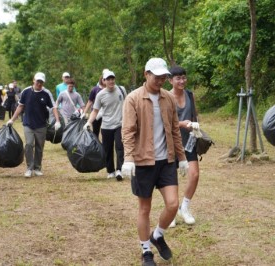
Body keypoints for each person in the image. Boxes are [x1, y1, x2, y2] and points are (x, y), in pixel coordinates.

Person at [121, 58, 188, 265]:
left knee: (173, 204)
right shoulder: (133, 99)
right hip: (143, 162)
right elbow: (128, 131)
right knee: (144, 208)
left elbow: (175, 129)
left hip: (166, 160)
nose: (160, 80)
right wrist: (129, 158)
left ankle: (157, 235)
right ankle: (146, 250)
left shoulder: (168, 98)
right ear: (146, 74)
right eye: (156, 76)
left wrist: (182, 157)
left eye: (163, 77)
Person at [6, 72, 61, 178]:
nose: (39, 84)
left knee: (39, 147)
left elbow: (53, 107)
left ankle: (37, 167)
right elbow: (20, 106)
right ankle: (29, 168)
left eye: (41, 82)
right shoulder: (26, 92)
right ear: (33, 80)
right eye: (37, 81)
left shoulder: (46, 93)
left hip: (41, 125)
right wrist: (12, 119)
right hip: (28, 124)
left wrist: (57, 121)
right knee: (29, 145)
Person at [168, 66, 200, 227]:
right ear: (170, 80)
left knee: (194, 175)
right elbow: (165, 122)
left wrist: (196, 126)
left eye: (183, 77)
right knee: (171, 178)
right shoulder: (166, 97)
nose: (182, 81)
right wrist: (182, 124)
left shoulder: (189, 95)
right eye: (178, 78)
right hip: (171, 142)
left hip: (189, 141)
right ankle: (171, 211)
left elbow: (195, 114)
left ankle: (184, 207)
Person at [84, 70, 126, 181]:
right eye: (108, 79)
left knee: (119, 147)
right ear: (104, 81)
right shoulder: (100, 95)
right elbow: (95, 111)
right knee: (107, 149)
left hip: (120, 124)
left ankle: (119, 170)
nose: (111, 81)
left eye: (112, 79)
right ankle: (110, 170)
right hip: (106, 125)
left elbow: (127, 104)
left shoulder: (121, 90)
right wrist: (89, 122)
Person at [81, 74, 106, 139]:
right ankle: (96, 146)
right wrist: (84, 112)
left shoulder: (111, 90)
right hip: (96, 113)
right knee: (96, 131)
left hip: (106, 114)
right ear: (102, 80)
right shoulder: (95, 89)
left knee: (106, 131)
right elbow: (90, 101)